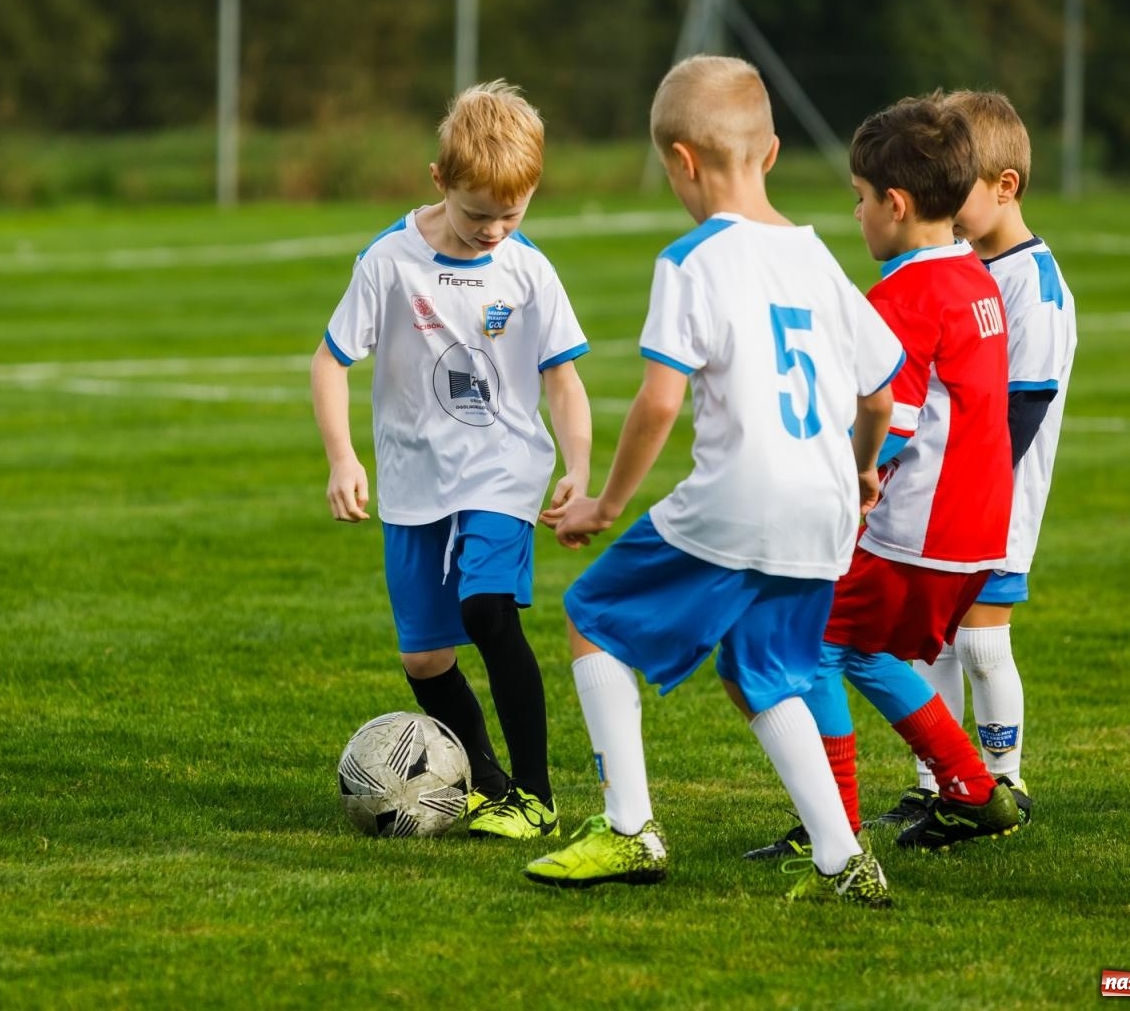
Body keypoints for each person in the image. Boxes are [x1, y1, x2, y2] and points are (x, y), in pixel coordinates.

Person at [521, 55, 902, 907]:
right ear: (769, 155)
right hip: (823, 507)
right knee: (763, 672)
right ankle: (845, 861)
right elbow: (878, 393)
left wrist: (605, 504)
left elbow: (659, 400)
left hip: (741, 497)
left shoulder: (693, 260)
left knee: (592, 619)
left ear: (681, 162)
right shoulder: (817, 260)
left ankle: (629, 831)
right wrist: (860, 466)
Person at [311, 80, 592, 840]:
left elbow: (563, 380)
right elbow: (330, 361)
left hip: (503, 466)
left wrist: (578, 464)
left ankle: (535, 795)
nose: (496, 229)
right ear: (440, 181)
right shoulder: (389, 260)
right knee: (427, 657)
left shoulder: (527, 270)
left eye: (513, 212)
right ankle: (484, 782)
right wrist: (342, 459)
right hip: (412, 478)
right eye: (478, 214)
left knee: (486, 608)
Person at [745, 94, 1022, 859]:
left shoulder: (901, 298)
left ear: (895, 205)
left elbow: (893, 421)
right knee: (869, 651)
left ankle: (830, 825)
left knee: (813, 647)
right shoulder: (975, 278)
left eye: (861, 200)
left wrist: (847, 478)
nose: (857, 214)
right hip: (976, 533)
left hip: (915, 530)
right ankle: (972, 789)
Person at [874, 90, 1078, 829]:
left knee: (985, 642)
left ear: (1004, 186)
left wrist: (971, 481)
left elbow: (1023, 407)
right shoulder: (961, 266)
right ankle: (937, 782)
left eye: (959, 192)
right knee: (928, 646)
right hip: (941, 503)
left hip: (994, 502)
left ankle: (1004, 778)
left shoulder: (1037, 286)